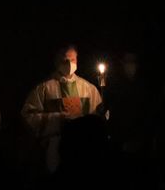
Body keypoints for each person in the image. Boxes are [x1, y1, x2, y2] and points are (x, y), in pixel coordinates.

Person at [21, 44, 104, 172]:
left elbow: (99, 119)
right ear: (56, 61)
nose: (69, 63)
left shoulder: (89, 89)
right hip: (56, 149)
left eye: (72, 60)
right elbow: (28, 116)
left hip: (85, 148)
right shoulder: (44, 88)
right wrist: (58, 120)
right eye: (65, 60)